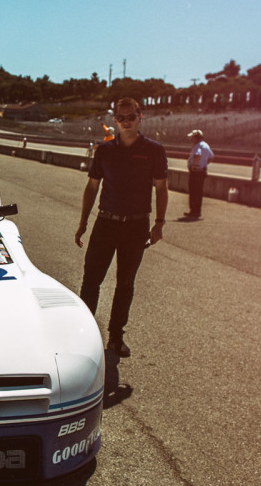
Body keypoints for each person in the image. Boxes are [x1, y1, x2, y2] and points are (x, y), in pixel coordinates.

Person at [74, 97, 168, 359]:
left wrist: (159, 223)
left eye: (131, 117)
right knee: (91, 281)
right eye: (121, 117)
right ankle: (83, 334)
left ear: (141, 117)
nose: (126, 122)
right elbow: (92, 187)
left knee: (125, 284)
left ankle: (116, 337)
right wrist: (83, 222)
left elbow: (161, 189)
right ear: (114, 120)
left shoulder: (154, 150)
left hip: (137, 225)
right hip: (105, 222)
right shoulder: (105, 151)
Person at [184, 129, 214, 220]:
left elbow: (197, 155)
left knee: (193, 191)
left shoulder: (198, 146)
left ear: (196, 137)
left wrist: (193, 166)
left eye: (192, 137)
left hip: (196, 172)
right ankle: (197, 211)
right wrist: (204, 164)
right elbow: (211, 157)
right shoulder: (205, 145)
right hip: (202, 171)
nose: (191, 139)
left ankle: (193, 211)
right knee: (199, 192)